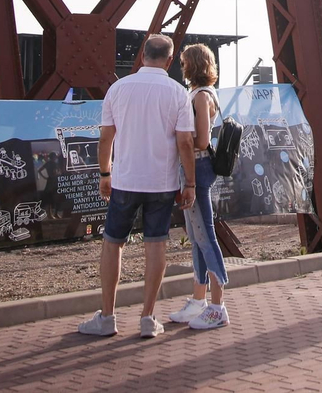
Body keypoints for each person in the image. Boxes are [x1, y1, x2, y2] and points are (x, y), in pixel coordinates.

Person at [80, 34, 195, 339]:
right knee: (155, 245)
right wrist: (191, 183)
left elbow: (107, 136)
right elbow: (185, 141)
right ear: (170, 61)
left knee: (112, 243)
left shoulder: (118, 89)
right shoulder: (178, 93)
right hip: (162, 181)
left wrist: (105, 173)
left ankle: (107, 317)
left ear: (142, 55)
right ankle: (147, 317)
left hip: (125, 179)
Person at [161, 43, 232, 330]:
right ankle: (200, 300)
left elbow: (202, 140)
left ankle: (217, 306)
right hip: (193, 166)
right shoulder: (197, 94)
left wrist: (182, 139)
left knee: (205, 235)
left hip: (198, 167)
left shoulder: (201, 96)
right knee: (196, 235)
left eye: (184, 62)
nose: (182, 66)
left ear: (191, 65)